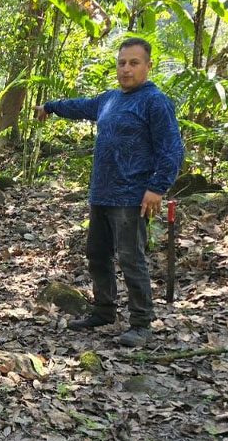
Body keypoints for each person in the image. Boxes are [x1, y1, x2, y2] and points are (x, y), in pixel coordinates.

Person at [35, 37, 184, 347]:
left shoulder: (154, 101)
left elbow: (171, 148)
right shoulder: (110, 99)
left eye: (134, 63)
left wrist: (157, 188)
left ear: (148, 66)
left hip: (131, 197)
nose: (126, 69)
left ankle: (141, 323)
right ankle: (104, 310)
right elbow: (80, 106)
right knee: (97, 254)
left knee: (131, 258)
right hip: (102, 193)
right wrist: (50, 107)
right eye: (122, 63)